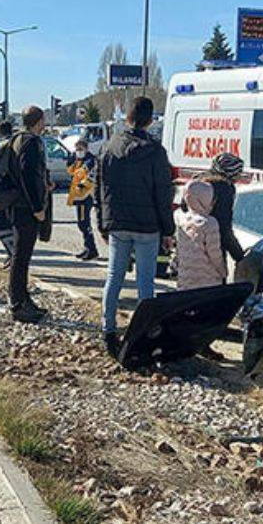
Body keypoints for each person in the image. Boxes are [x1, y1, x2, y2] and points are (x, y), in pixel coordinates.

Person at [95, 96, 175, 355]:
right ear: (150, 121)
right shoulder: (155, 152)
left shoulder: (109, 147)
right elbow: (163, 194)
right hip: (147, 226)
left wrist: (102, 224)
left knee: (113, 277)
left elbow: (99, 189)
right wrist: (168, 230)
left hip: (117, 224)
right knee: (145, 283)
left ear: (127, 117)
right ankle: (143, 333)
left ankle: (108, 330)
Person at [6, 106, 51, 323]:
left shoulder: (18, 139)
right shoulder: (31, 142)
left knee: (21, 255)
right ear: (38, 121)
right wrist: (37, 208)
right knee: (21, 256)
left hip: (18, 206)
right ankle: (18, 304)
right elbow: (26, 175)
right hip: (26, 208)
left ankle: (23, 299)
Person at [173, 181, 226, 291]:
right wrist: (223, 271)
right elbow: (214, 253)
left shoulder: (180, 219)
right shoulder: (210, 223)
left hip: (185, 279)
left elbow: (178, 249)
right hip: (207, 280)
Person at [198, 153, 246, 264]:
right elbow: (224, 228)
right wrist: (239, 256)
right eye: (238, 172)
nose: (240, 176)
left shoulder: (198, 183)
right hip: (212, 249)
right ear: (231, 173)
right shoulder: (224, 189)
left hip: (189, 248)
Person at [66, 139, 98, 261]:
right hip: (79, 197)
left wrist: (82, 186)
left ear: (86, 149)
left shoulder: (90, 161)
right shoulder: (78, 161)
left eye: (80, 149)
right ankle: (88, 247)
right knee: (82, 224)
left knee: (84, 223)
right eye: (77, 149)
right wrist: (73, 158)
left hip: (85, 196)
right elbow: (70, 170)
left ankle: (92, 249)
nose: (78, 151)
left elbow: (87, 176)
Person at [0, 120, 16, 263]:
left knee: (2, 227)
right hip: (16, 191)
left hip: (3, 191)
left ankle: (12, 254)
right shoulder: (17, 144)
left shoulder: (2, 146)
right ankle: (13, 254)